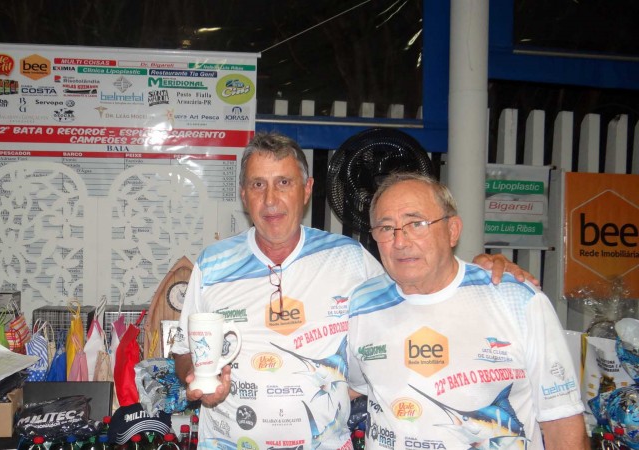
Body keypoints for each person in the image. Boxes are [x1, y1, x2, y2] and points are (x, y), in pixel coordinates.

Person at [171, 132, 537, 450]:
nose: (270, 199)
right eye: (257, 185)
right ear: (243, 194)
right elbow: (185, 350)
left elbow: (421, 289)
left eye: (283, 183)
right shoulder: (213, 264)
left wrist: (480, 270)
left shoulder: (349, 258)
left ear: (307, 190)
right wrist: (194, 378)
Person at [346, 172, 585, 450]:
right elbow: (350, 385)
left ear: (452, 231)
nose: (400, 241)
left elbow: (563, 425)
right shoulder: (362, 304)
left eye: (417, 224)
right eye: (387, 228)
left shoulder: (517, 300)